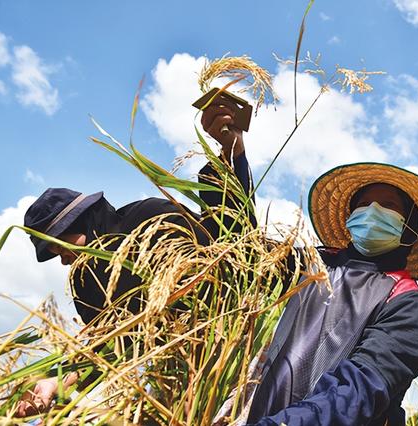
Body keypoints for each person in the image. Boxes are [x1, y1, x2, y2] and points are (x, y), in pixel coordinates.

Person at [17, 98, 255, 417]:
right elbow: (107, 348)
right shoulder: (88, 289)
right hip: (180, 383)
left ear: (82, 221)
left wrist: (229, 152)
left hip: (238, 353)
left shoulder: (148, 219)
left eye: (61, 245)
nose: (64, 261)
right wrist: (54, 383)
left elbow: (230, 236)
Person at [245, 163, 418, 425]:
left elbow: (358, 391)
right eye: (364, 203)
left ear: (410, 227)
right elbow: (238, 253)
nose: (372, 211)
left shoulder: (409, 302)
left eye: (389, 205)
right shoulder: (311, 265)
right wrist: (232, 157)